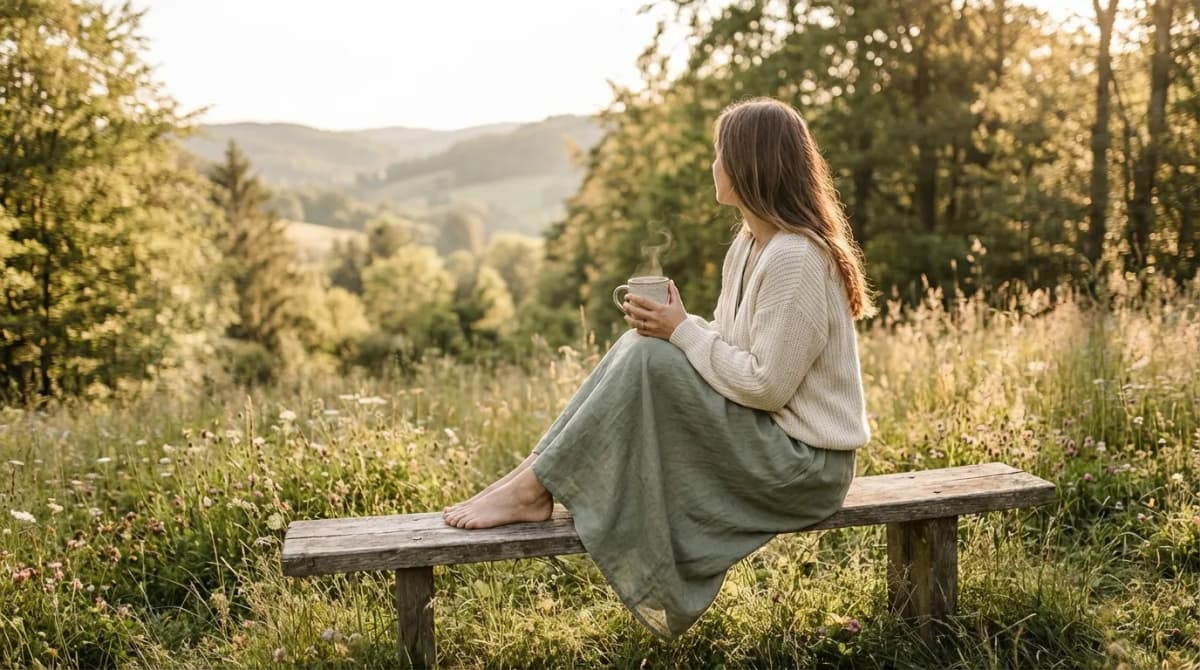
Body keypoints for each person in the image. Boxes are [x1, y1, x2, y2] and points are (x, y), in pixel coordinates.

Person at [442, 96, 875, 640]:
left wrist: (679, 332)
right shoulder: (749, 244)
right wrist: (677, 322)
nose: (713, 166)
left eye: (721, 155)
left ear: (749, 166)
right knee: (640, 345)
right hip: (772, 445)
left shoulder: (795, 258)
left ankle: (534, 486)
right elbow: (729, 342)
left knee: (650, 351)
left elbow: (766, 385)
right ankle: (534, 478)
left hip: (806, 468)